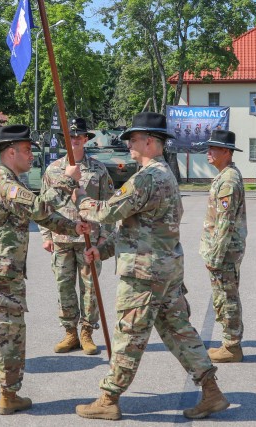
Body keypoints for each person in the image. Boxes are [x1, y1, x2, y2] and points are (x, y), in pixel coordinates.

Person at [73, 112, 229, 420]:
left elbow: (108, 212)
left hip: (144, 274)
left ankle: (108, 397)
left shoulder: (148, 176)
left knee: (128, 335)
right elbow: (139, 228)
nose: (129, 143)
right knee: (179, 331)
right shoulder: (164, 173)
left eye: (133, 138)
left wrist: (79, 193)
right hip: (164, 268)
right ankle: (211, 392)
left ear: (150, 141)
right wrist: (102, 250)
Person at [0, 125, 89, 416]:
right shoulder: (6, 185)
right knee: (8, 334)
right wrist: (67, 182)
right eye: (28, 150)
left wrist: (73, 226)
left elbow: (31, 216)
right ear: (10, 152)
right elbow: (40, 207)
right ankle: (8, 395)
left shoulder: (5, 183)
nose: (32, 155)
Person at [41, 118, 114, 355]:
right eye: (70, 136)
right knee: (64, 286)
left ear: (85, 139)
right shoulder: (53, 170)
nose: (74, 140)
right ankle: (70, 332)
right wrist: (46, 234)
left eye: (78, 136)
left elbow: (108, 205)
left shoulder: (98, 169)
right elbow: (43, 205)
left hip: (89, 239)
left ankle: (87, 332)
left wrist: (104, 236)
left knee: (90, 287)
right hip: (61, 237)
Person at [200, 130, 247, 363]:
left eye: (213, 148)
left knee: (226, 297)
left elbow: (225, 223)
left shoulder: (228, 180)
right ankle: (230, 342)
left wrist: (215, 257)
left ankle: (231, 346)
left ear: (226, 152)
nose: (208, 152)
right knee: (224, 295)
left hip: (224, 252)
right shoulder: (225, 176)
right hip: (225, 250)